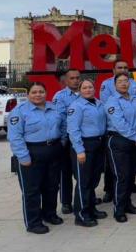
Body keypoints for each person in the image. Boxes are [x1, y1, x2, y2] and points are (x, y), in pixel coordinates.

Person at [8, 82, 65, 234]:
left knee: (52, 187)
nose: (38, 94)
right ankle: (33, 222)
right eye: (34, 92)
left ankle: (49, 214)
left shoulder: (54, 108)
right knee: (32, 190)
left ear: (46, 93)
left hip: (53, 150)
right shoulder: (19, 111)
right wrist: (23, 156)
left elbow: (63, 127)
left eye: (41, 91)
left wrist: (61, 143)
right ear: (28, 95)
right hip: (31, 153)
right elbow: (15, 137)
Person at [100, 60, 136, 203]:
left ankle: (127, 200)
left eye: (126, 68)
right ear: (113, 70)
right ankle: (116, 202)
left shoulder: (134, 85)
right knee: (120, 174)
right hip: (120, 137)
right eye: (120, 67)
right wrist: (135, 136)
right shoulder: (107, 86)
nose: (123, 70)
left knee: (131, 171)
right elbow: (116, 118)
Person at [66, 79, 108, 227]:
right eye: (84, 88)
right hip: (84, 146)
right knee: (83, 182)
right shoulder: (76, 106)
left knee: (93, 180)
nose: (88, 89)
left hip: (98, 144)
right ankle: (81, 215)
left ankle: (91, 208)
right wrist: (80, 150)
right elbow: (73, 130)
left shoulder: (99, 104)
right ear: (80, 90)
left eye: (90, 87)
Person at [52, 68, 81, 215]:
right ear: (66, 80)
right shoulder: (60, 96)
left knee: (83, 173)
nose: (75, 80)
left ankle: (84, 198)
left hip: (83, 140)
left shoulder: (85, 93)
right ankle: (66, 202)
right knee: (66, 172)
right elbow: (60, 120)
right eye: (72, 78)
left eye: (77, 78)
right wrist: (63, 140)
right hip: (67, 140)